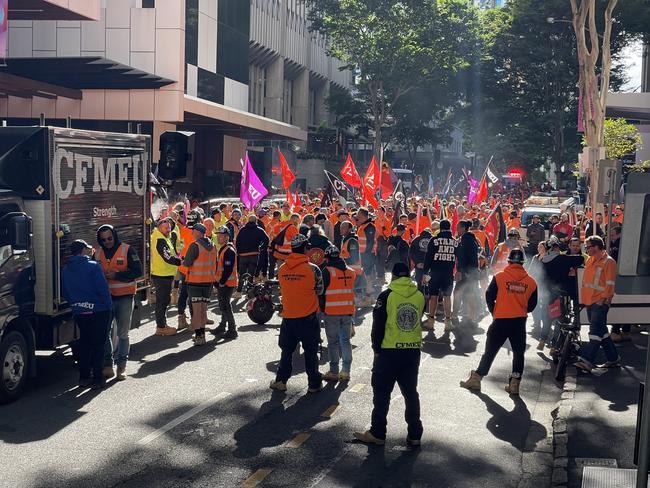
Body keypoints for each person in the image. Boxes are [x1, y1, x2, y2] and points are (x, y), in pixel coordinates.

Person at [353, 263, 424, 447]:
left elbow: (378, 327)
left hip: (389, 352)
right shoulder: (419, 295)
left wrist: (376, 350)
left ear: (393, 276)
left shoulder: (386, 296)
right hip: (412, 351)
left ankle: (378, 432)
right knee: (410, 393)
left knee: (382, 393)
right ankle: (415, 433)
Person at [460, 249, 537, 395]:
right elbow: (532, 306)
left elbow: (489, 295)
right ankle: (515, 383)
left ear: (509, 261)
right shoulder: (531, 282)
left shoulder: (500, 277)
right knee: (518, 353)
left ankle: (476, 379)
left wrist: (494, 311)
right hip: (519, 322)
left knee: (490, 351)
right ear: (523, 263)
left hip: (500, 320)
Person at [270, 234, 324, 393]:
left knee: (286, 351)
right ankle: (314, 383)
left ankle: (281, 380)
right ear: (306, 249)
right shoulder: (313, 269)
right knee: (311, 352)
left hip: (288, 317)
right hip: (308, 318)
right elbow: (320, 290)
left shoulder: (282, 269)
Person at [61, 240, 113, 390]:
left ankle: (84, 377)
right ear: (83, 250)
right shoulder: (93, 267)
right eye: (88, 248)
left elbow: (66, 291)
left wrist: (76, 305)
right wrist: (109, 307)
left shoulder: (66, 269)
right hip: (98, 310)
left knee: (84, 344)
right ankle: (98, 378)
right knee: (98, 346)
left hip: (79, 311)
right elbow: (103, 289)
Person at [96, 225, 142, 381]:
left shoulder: (128, 250)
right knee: (104, 333)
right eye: (103, 240)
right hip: (106, 298)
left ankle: (121, 367)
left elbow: (138, 271)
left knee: (122, 333)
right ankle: (108, 366)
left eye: (109, 238)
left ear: (114, 236)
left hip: (124, 297)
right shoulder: (98, 253)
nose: (107, 242)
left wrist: (117, 274)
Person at [575, 236, 620, 372]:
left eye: (588, 246)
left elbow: (610, 283)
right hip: (590, 301)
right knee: (601, 331)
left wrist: (604, 299)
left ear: (596, 247)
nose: (586, 249)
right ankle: (613, 358)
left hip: (600, 302)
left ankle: (587, 361)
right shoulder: (590, 260)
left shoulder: (609, 262)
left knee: (594, 331)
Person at [321, 245, 355, 383]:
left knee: (333, 343)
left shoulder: (327, 271)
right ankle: (346, 371)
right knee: (346, 341)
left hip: (331, 312)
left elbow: (321, 293)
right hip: (347, 311)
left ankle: (334, 371)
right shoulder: (351, 272)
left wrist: (322, 310)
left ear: (328, 258)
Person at [182, 222, 217, 346]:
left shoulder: (194, 246)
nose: (191, 233)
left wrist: (182, 260)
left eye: (193, 231)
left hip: (195, 282)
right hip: (208, 282)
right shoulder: (213, 245)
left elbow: (186, 263)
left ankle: (199, 336)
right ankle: (202, 335)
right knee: (203, 309)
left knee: (196, 310)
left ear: (197, 233)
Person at [150, 217, 182, 336]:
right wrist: (179, 262)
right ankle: (161, 327)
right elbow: (167, 257)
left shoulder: (163, 237)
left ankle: (162, 325)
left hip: (164, 273)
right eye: (165, 227)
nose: (168, 229)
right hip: (161, 274)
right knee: (163, 301)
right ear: (159, 227)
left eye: (169, 227)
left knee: (163, 300)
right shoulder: (160, 239)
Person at [423, 219, 457, 329]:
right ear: (450, 228)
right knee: (447, 297)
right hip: (448, 273)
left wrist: (425, 273)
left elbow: (428, 258)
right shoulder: (455, 241)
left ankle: (431, 322)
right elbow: (459, 258)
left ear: (440, 228)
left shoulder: (434, 240)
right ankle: (448, 322)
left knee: (433, 296)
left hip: (435, 273)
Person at [213, 226, 238, 339]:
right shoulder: (223, 249)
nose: (219, 238)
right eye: (218, 236)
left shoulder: (229, 251)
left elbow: (228, 269)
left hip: (227, 283)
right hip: (223, 282)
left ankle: (232, 330)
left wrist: (222, 282)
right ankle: (223, 326)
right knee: (223, 305)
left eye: (221, 236)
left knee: (226, 306)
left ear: (227, 237)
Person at [235, 214, 269, 297]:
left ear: (248, 221)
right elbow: (267, 239)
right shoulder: (259, 230)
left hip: (243, 255)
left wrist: (239, 252)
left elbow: (237, 241)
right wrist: (261, 247)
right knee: (251, 274)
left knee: (242, 274)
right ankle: (249, 293)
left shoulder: (242, 230)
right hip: (254, 254)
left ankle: (239, 292)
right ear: (256, 221)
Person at [454, 220, 480, 323]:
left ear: (463, 228)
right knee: (469, 293)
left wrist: (461, 271)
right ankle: (471, 316)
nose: (457, 230)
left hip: (467, 271)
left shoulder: (466, 239)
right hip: (470, 270)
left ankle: (457, 315)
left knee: (461, 293)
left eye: (458, 228)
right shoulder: (469, 238)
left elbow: (463, 257)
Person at [409, 228, 433, 294]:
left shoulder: (415, 240)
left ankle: (420, 297)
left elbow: (411, 253)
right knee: (430, 281)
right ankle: (429, 297)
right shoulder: (433, 239)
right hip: (430, 266)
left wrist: (417, 263)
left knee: (419, 283)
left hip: (419, 266)